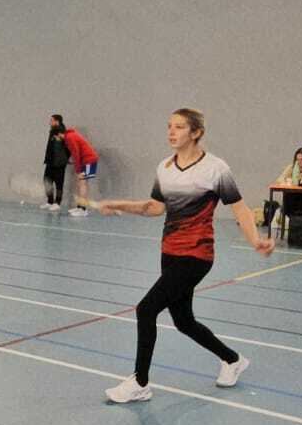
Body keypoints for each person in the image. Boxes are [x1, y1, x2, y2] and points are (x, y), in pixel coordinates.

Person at [94, 108, 274, 403]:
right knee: (183, 321)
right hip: (169, 251)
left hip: (197, 254)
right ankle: (232, 359)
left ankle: (140, 382)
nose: (171, 132)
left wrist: (255, 239)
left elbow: (240, 208)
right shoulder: (164, 167)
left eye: (179, 127)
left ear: (196, 132)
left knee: (146, 309)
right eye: (169, 126)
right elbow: (154, 208)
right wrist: (118, 204)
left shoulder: (215, 169)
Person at [61, 123, 98, 216]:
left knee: (82, 184)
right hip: (85, 161)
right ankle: (79, 207)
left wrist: (78, 170)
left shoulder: (69, 137)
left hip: (89, 160)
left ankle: (83, 210)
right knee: (80, 184)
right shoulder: (69, 136)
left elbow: (76, 154)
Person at [275, 147, 302, 216]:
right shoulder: (291, 167)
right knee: (288, 197)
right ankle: (292, 219)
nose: (299, 162)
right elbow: (279, 179)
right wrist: (288, 181)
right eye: (297, 159)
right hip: (294, 193)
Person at [41, 114, 70, 212]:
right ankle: (50, 201)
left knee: (59, 183)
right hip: (50, 162)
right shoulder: (52, 131)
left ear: (57, 121)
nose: (50, 122)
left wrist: (64, 159)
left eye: (51, 120)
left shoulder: (62, 131)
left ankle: (57, 203)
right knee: (47, 180)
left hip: (59, 163)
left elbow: (68, 147)